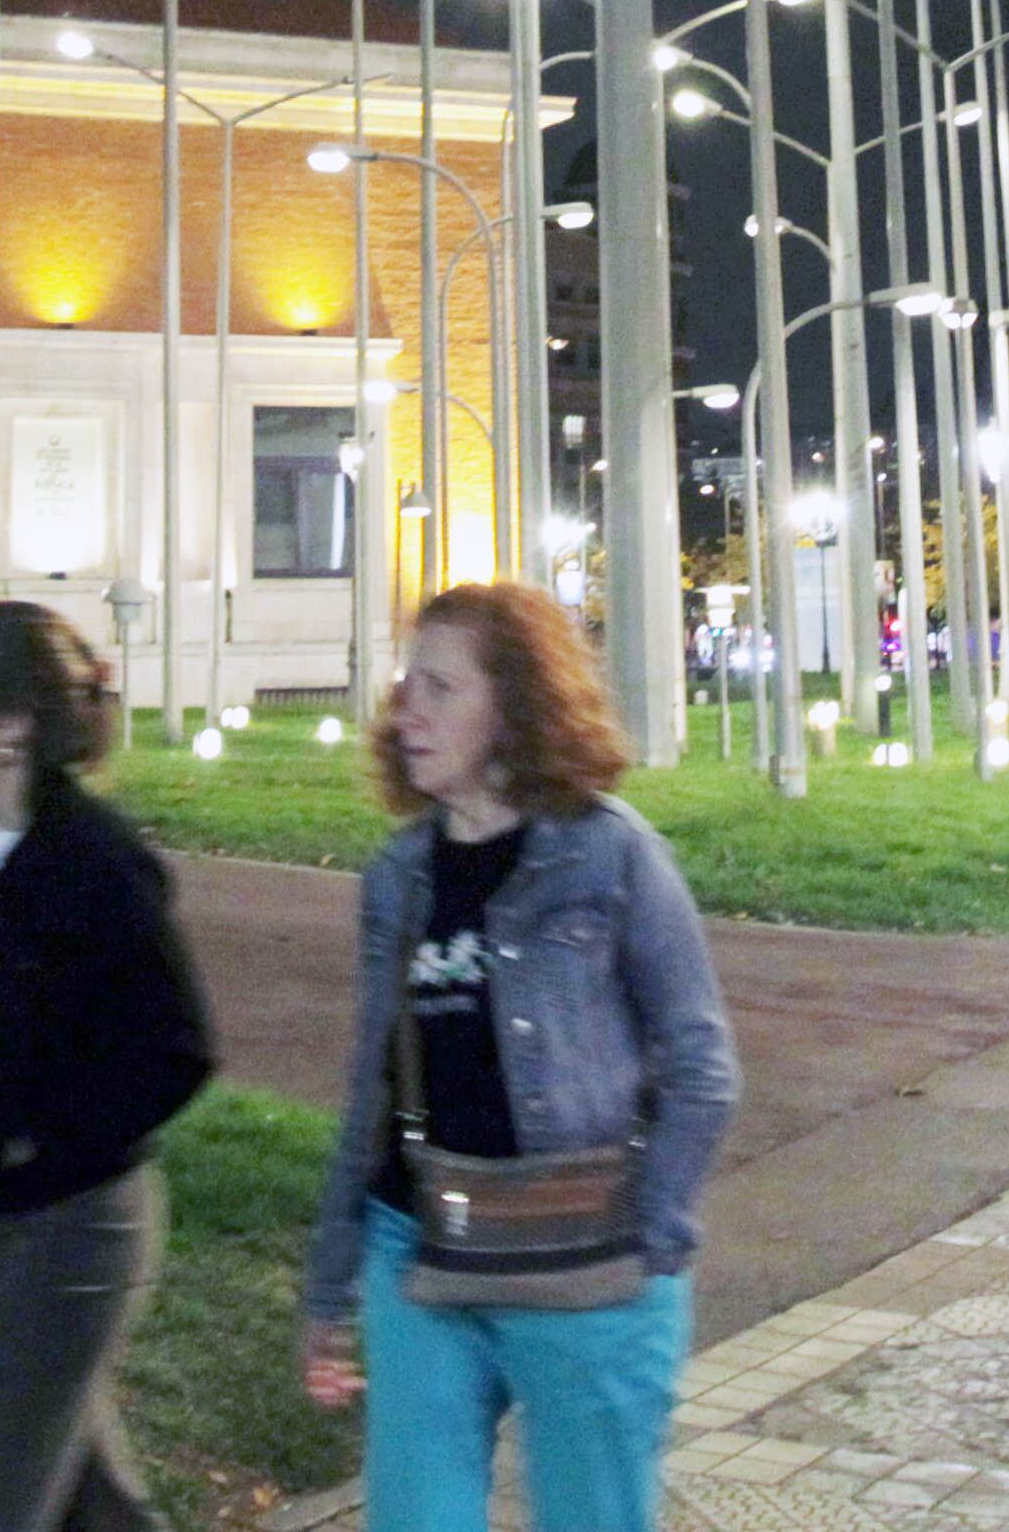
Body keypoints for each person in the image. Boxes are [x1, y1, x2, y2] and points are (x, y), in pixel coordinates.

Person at [304, 583, 737, 1532]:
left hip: (584, 1260)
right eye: (406, 682)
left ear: (515, 706)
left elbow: (701, 1063)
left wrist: (651, 1239)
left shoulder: (610, 856)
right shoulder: (398, 876)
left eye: (440, 687)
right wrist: (329, 1283)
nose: (406, 709)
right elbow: (371, 1087)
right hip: (418, 1251)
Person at [0, 601, 216, 1532]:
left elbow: (179, 1050)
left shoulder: (95, 862)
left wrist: (39, 1152)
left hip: (77, 1236)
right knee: (90, 1509)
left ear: (13, 723)